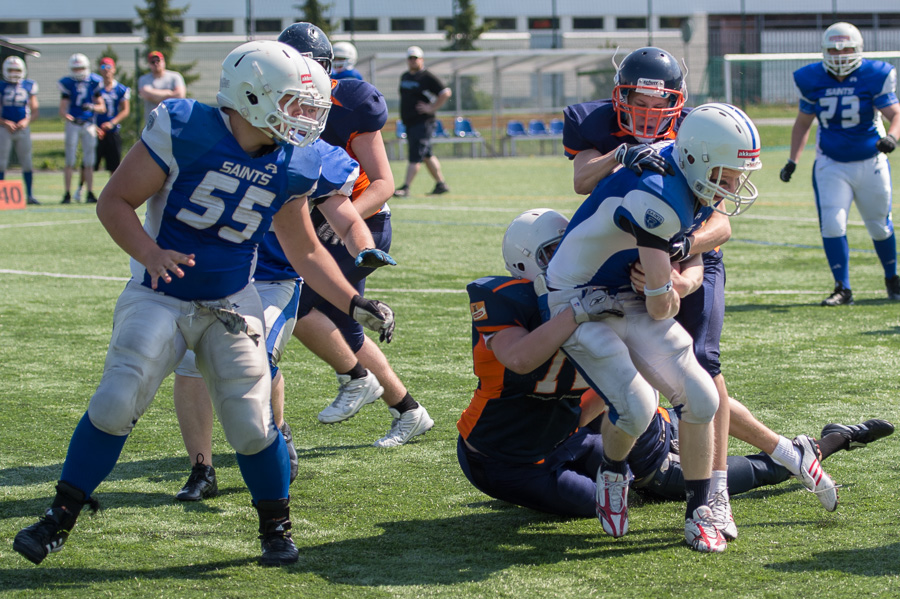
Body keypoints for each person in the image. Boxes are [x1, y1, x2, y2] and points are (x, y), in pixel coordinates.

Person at [13, 40, 396, 568]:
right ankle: (59, 516)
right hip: (162, 292)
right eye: (294, 103)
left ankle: (276, 527)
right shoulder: (185, 128)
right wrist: (150, 252)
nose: (306, 117)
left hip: (233, 298)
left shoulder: (295, 159)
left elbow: (304, 247)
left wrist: (354, 302)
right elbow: (115, 201)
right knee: (118, 398)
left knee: (250, 419)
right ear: (251, 96)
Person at [561, 47, 838, 542]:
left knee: (701, 371)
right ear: (619, 96)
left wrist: (682, 260)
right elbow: (583, 180)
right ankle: (779, 453)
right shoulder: (600, 126)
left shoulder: (701, 133)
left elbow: (719, 220)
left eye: (657, 104)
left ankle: (714, 492)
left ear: (678, 104)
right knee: (648, 388)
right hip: (626, 253)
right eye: (636, 103)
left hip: (678, 246)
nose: (647, 114)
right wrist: (621, 156)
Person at [459, 209, 876, 524]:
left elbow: (653, 368)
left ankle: (797, 451)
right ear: (525, 262)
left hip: (582, 431)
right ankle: (801, 452)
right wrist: (577, 316)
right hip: (507, 458)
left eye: (571, 248)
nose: (571, 261)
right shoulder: (506, 303)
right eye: (556, 253)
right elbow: (521, 358)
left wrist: (669, 289)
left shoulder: (599, 293)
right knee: (630, 492)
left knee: (687, 421)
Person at [541, 103, 767, 553]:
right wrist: (669, 287)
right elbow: (662, 307)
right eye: (725, 174)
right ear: (700, 159)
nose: (732, 187)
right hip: (580, 298)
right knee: (639, 405)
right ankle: (612, 468)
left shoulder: (681, 161)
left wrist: (677, 280)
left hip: (623, 290)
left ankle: (700, 508)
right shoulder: (659, 197)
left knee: (701, 397)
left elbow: (688, 262)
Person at [279, 23, 433, 447]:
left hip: (357, 223)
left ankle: (358, 380)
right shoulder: (282, 102)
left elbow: (382, 183)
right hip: (313, 218)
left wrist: (341, 219)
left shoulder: (349, 104)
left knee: (296, 305)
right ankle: (408, 411)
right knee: (344, 326)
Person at [780, 21, 900, 306]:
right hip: (831, 163)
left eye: (845, 48)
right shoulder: (812, 78)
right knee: (833, 226)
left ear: (858, 49)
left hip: (871, 160)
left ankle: (892, 278)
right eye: (833, 49)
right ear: (824, 50)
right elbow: (802, 124)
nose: (839, 54)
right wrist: (792, 160)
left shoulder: (874, 74)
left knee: (879, 226)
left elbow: (896, 114)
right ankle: (842, 288)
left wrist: (892, 139)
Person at [393, 45, 451, 198]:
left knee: (415, 155)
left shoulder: (426, 76)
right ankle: (441, 184)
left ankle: (406, 187)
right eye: (410, 58)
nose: (413, 61)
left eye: (415, 58)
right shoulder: (405, 76)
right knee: (426, 155)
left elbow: (445, 92)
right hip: (410, 122)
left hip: (423, 122)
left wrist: (431, 108)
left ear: (421, 59)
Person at [58, 53, 104, 204]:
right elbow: (63, 109)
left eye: (81, 68)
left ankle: (90, 192)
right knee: (70, 160)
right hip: (73, 124)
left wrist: (91, 107)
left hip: (89, 124)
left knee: (89, 161)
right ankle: (67, 193)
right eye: (75, 68)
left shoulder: (94, 81)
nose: (78, 71)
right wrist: (68, 117)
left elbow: (101, 107)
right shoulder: (67, 83)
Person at [0, 56, 39, 204]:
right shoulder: (1, 86)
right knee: (1, 162)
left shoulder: (29, 85)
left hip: (23, 128)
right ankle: (1, 197)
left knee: (27, 162)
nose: (14, 73)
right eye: (11, 70)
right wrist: (5, 122)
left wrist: (26, 120)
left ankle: (30, 195)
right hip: (4, 128)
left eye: (17, 70)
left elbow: (35, 110)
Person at [94, 57, 130, 174]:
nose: (106, 70)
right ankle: (83, 189)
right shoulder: (95, 88)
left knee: (114, 166)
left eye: (109, 67)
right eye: (103, 67)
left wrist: (112, 123)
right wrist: (94, 127)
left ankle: (114, 191)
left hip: (112, 130)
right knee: (90, 163)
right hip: (96, 131)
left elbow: (125, 110)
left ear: (114, 69)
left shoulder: (121, 89)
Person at [137, 51, 186, 124]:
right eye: (153, 62)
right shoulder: (144, 79)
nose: (156, 63)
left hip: (173, 120)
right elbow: (146, 94)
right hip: (153, 122)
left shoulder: (175, 76)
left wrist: (154, 95)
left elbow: (180, 95)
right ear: (149, 64)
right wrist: (169, 93)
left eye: (158, 60)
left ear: (163, 62)